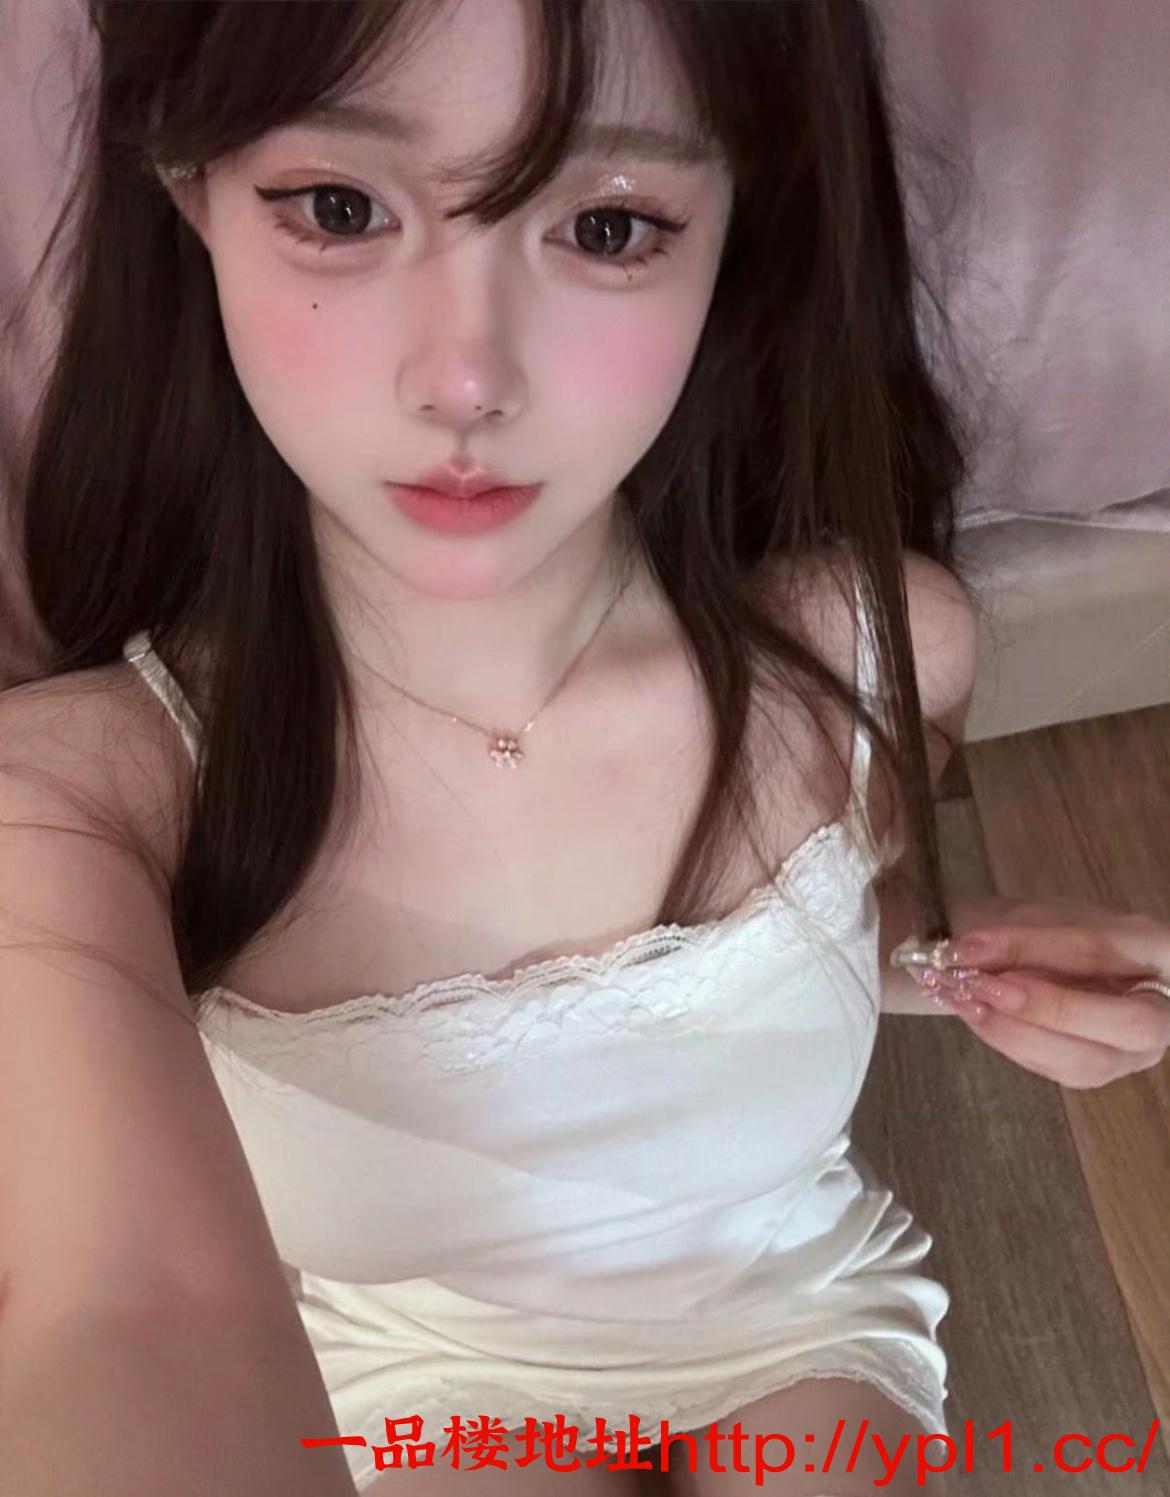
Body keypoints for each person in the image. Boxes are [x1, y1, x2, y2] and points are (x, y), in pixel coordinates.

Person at [2, 3, 1168, 1496]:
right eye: (340, 209)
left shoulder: (870, 650)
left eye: (608, 226)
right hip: (414, 1358)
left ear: (739, 225)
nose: (464, 379)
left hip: (786, 1296)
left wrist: (940, 959)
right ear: (192, 193)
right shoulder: (85, 804)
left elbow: (777, 931)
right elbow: (122, 1312)